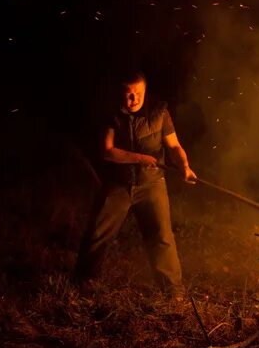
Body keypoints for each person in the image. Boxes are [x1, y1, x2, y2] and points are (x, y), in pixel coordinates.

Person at [75, 72, 197, 300]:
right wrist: (140, 158)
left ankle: (173, 291)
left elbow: (174, 146)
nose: (134, 99)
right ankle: (83, 282)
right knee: (98, 233)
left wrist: (185, 166)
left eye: (138, 93)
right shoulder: (113, 115)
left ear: (145, 90)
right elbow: (108, 151)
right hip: (118, 184)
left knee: (161, 236)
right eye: (129, 94)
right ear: (121, 94)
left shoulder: (159, 112)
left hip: (151, 184)